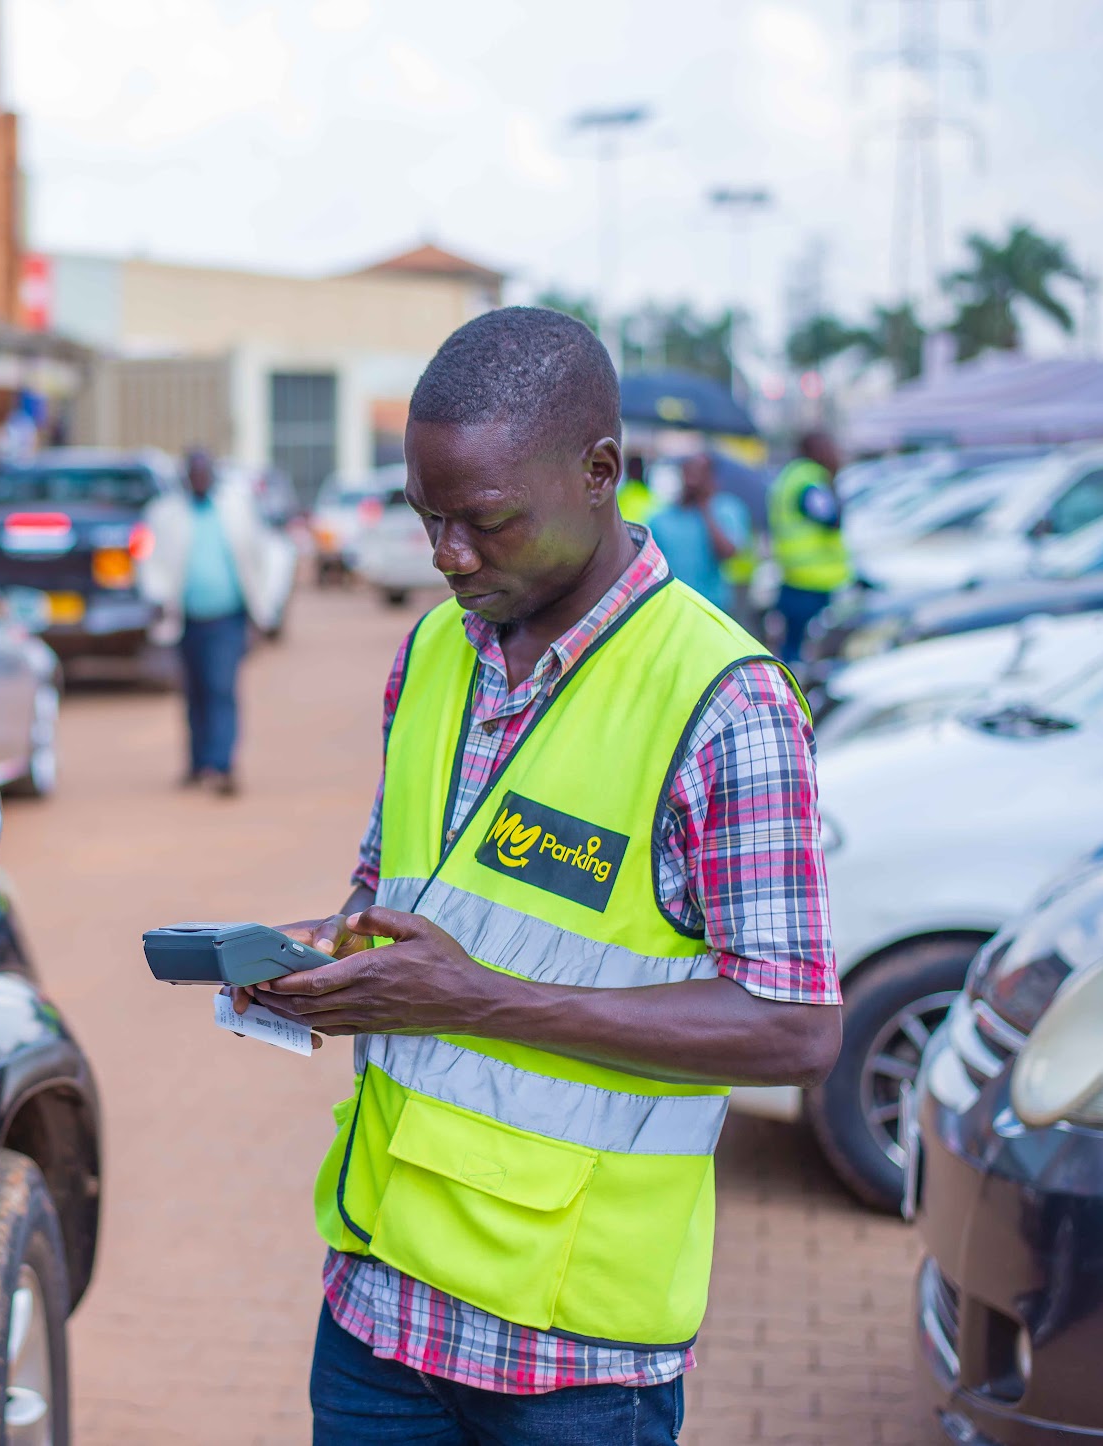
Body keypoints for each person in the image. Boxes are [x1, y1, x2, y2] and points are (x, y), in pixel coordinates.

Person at [232, 307, 841, 1444]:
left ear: (602, 472)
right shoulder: (430, 652)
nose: (448, 554)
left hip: (571, 1360)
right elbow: (393, 898)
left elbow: (794, 1029)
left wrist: (479, 1002)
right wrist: (325, 958)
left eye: (485, 521)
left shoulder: (724, 704)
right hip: (378, 1311)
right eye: (428, 520)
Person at [139, 449, 279, 796]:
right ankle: (198, 762)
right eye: (194, 473)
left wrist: (262, 611)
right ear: (186, 477)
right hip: (185, 620)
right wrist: (154, 598)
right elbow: (150, 560)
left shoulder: (236, 508)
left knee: (220, 688)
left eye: (205, 472)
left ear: (214, 475)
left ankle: (222, 765)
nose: (200, 478)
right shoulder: (165, 513)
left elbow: (259, 557)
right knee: (194, 693)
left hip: (227, 619)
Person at [767, 430, 853, 661]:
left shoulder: (790, 476)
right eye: (829, 447)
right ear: (814, 450)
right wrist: (833, 479)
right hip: (812, 582)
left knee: (793, 647)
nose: (834, 453)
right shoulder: (808, 479)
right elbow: (831, 518)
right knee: (805, 652)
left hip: (796, 576)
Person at [648, 452, 755, 620]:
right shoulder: (661, 517)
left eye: (700, 473)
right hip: (672, 606)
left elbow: (728, 553)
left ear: (711, 477)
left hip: (713, 607)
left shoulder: (726, 509)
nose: (693, 479)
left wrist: (705, 508)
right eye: (689, 472)